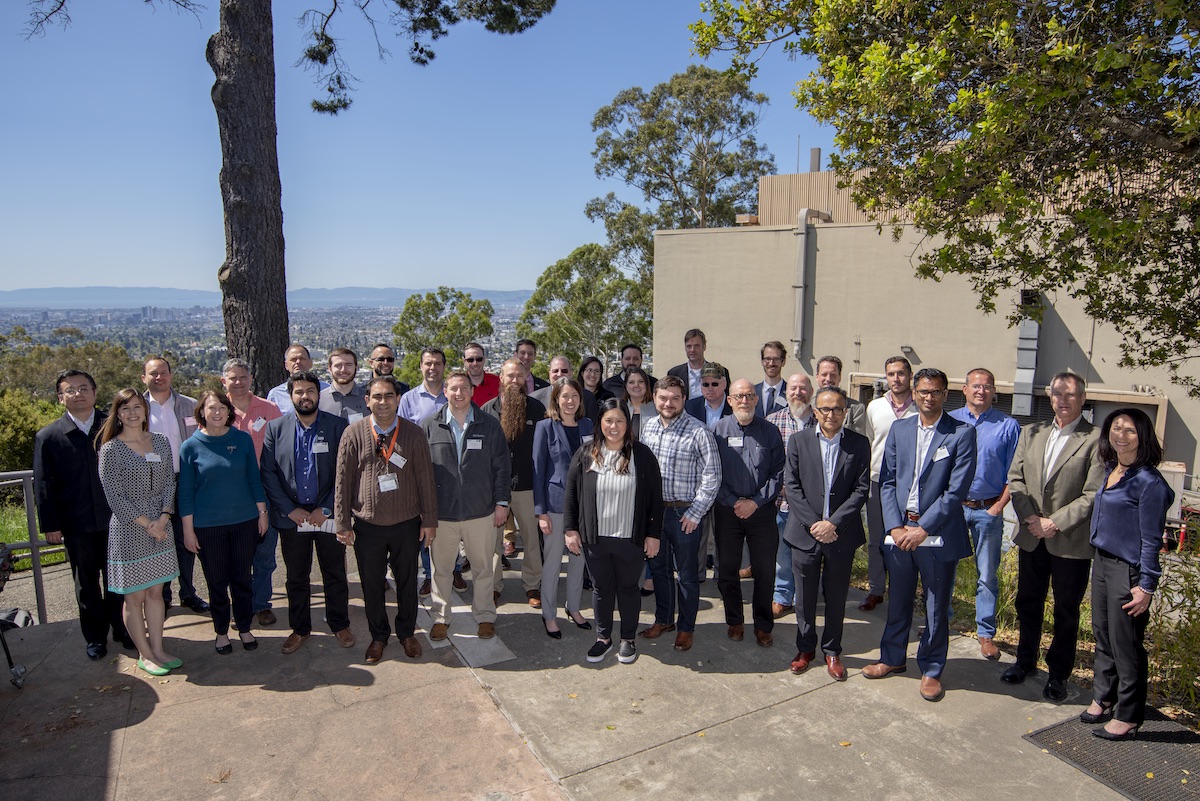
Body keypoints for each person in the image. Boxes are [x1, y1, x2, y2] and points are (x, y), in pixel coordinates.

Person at [864, 368, 976, 703]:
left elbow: (956, 492)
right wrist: (896, 526)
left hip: (936, 533)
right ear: (914, 393)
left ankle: (931, 669)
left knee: (935, 605)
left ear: (946, 394)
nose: (929, 398)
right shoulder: (900, 429)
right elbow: (887, 481)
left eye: (936, 392)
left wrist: (923, 528)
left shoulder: (961, 433)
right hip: (899, 531)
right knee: (897, 600)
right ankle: (892, 657)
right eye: (923, 392)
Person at [1004, 372, 1104, 702]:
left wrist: (1054, 522)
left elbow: (1092, 494)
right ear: (1050, 397)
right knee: (1028, 603)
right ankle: (1025, 661)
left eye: (1071, 394)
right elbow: (1016, 480)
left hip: (1069, 541)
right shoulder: (1031, 432)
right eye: (1058, 393)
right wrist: (1031, 517)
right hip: (1033, 535)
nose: (1063, 399)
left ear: (1083, 398)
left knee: (1066, 610)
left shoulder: (1095, 439)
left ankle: (1059, 673)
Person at [334, 376, 438, 664]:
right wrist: (342, 522)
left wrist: (429, 520)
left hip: (406, 523)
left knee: (407, 582)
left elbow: (426, 480)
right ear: (367, 400)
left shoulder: (414, 434)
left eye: (388, 396)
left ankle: (407, 633)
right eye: (376, 396)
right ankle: (378, 637)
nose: (383, 402)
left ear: (398, 399)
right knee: (371, 584)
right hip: (368, 525)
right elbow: (343, 480)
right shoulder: (353, 433)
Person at [1084, 408, 1173, 741]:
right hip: (1102, 563)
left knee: (1127, 644)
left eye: (1130, 431)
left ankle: (1129, 714)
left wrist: (1146, 586)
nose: (1121, 435)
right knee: (1103, 634)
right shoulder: (1111, 469)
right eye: (1116, 428)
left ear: (1143, 437)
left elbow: (1152, 539)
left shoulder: (1149, 482)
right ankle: (1103, 696)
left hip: (1129, 570)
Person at [34, 369, 132, 660]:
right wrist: (50, 525)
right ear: (60, 396)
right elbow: (43, 484)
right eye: (70, 390)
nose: (78, 394)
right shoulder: (49, 437)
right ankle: (95, 637)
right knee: (86, 583)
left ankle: (123, 629)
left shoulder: (114, 426)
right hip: (77, 524)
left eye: (83, 388)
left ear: (94, 392)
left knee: (119, 581)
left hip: (118, 521)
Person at [260, 370, 355, 654]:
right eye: (299, 392)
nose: (305, 397)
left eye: (310, 391)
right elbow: (268, 473)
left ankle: (340, 624)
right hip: (293, 519)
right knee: (296, 577)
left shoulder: (338, 426)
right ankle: (300, 628)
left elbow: (345, 470)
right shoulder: (276, 428)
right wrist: (291, 510)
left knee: (334, 573)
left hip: (326, 517)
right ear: (291, 397)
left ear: (318, 394)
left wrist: (325, 508)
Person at [563, 399, 663, 664]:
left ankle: (627, 638)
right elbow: (571, 493)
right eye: (608, 420)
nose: (614, 426)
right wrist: (570, 529)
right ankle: (603, 638)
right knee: (601, 589)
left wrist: (653, 534)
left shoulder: (642, 455)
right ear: (600, 423)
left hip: (631, 537)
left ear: (628, 423)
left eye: (620, 420)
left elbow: (655, 497)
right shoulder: (586, 453)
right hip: (595, 538)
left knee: (629, 588)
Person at [781, 387, 870, 680]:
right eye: (825, 409)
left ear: (846, 412)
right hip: (805, 533)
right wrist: (814, 524)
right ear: (815, 411)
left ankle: (832, 651)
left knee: (836, 596)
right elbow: (791, 486)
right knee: (804, 599)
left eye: (838, 409)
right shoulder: (798, 441)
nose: (831, 415)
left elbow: (861, 489)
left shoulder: (859, 443)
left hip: (840, 534)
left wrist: (833, 523)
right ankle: (805, 649)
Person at [96, 389, 181, 676]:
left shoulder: (160, 441)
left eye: (137, 407)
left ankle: (158, 649)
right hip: (130, 530)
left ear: (145, 411)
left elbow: (170, 482)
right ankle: (144, 655)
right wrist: (149, 524)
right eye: (125, 408)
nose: (132, 413)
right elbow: (115, 497)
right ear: (117, 414)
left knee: (157, 593)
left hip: (161, 526)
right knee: (135, 597)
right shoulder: (110, 449)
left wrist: (164, 517)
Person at [421, 371, 510, 641]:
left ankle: (484, 616)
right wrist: (426, 515)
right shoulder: (430, 425)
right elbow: (422, 474)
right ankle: (440, 617)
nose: (458, 394)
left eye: (464, 389)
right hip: (443, 515)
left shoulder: (489, 424)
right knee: (441, 570)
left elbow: (502, 467)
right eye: (453, 389)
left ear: (472, 392)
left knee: (484, 569)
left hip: (480, 511)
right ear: (445, 392)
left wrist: (502, 503)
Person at [179, 389, 269, 654]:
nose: (216, 412)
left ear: (229, 411)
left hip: (244, 522)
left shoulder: (241, 440)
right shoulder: (190, 446)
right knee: (216, 581)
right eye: (211, 408)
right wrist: (188, 531)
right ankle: (220, 631)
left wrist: (262, 513)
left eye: (221, 407)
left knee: (242, 578)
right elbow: (185, 493)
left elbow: (254, 477)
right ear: (201, 413)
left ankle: (244, 627)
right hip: (208, 527)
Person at [639, 375, 722, 651]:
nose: (669, 403)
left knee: (687, 576)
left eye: (675, 398)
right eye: (663, 397)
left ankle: (686, 627)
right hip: (654, 515)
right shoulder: (648, 428)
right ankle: (664, 619)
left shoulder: (699, 431)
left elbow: (712, 477)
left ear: (684, 399)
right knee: (659, 570)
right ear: (655, 398)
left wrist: (695, 513)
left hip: (685, 514)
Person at [948, 367, 1020, 659]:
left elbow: (1015, 473)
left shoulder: (1008, 425)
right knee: (943, 569)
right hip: (952, 509)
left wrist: (998, 507)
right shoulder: (950, 420)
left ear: (994, 391)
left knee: (987, 574)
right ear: (964, 389)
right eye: (975, 386)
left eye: (987, 386)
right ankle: (939, 620)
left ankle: (986, 633)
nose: (981, 390)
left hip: (988, 509)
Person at [711, 379, 785, 646]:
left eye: (749, 396)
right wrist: (733, 502)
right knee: (727, 570)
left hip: (762, 511)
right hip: (727, 511)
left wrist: (755, 502)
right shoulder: (717, 431)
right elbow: (712, 474)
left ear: (756, 399)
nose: (744, 400)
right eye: (738, 396)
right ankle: (735, 621)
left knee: (764, 571)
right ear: (729, 400)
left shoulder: (770, 431)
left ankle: (763, 625)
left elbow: (778, 473)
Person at [141, 356, 209, 615]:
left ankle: (188, 592)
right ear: (143, 378)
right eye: (153, 373)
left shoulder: (190, 405)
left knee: (186, 539)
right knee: (158, 539)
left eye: (164, 373)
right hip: (152, 485)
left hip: (185, 481)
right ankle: (162, 595)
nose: (159, 378)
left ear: (171, 375)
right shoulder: (139, 408)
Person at [221, 358, 283, 627]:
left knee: (265, 553)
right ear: (224, 381)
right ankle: (240, 605)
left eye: (242, 377)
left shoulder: (269, 409)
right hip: (230, 494)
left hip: (266, 491)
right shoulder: (216, 409)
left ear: (250, 379)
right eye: (232, 378)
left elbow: (282, 449)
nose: (238, 382)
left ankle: (261, 604)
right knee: (235, 555)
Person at [533, 378, 595, 638]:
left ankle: (574, 606)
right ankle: (549, 614)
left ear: (581, 399)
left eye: (575, 396)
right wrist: (541, 512)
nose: (570, 401)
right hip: (555, 505)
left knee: (579, 560)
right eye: (565, 396)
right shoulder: (545, 427)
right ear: (556, 399)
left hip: (583, 505)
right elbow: (537, 471)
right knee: (553, 563)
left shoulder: (588, 425)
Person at [482, 359, 547, 607]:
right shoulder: (488, 410)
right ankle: (494, 587)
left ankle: (532, 586)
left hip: (528, 486)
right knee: (493, 542)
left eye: (520, 376)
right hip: (495, 488)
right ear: (501, 378)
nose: (515, 381)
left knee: (532, 541)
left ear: (526, 379)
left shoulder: (537, 409)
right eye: (510, 376)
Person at [860, 356, 917, 611]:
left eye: (901, 373)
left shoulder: (921, 407)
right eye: (891, 374)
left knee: (904, 539)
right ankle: (875, 589)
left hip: (910, 486)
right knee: (877, 540)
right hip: (877, 481)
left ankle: (900, 591)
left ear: (910, 375)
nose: (896, 379)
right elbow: (869, 443)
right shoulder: (874, 407)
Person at [767, 373, 816, 619]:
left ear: (812, 392)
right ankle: (782, 595)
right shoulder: (772, 421)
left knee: (807, 553)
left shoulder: (821, 421)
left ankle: (803, 597)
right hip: (781, 499)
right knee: (782, 552)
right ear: (786, 393)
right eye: (793, 388)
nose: (798, 392)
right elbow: (765, 461)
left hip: (811, 504)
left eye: (803, 388)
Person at [668, 329, 729, 400]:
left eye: (696, 346)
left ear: (704, 346)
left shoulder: (721, 372)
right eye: (689, 346)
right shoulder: (674, 374)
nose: (692, 350)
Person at [266, 344, 328, 413]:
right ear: (286, 365)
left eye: (302, 358)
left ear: (310, 363)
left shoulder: (327, 390)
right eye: (293, 359)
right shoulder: (275, 395)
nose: (298, 362)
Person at [814, 355, 867, 435]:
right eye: (824, 374)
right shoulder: (809, 406)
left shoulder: (856, 409)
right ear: (817, 377)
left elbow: (857, 441)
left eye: (833, 375)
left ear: (840, 377)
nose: (828, 379)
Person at [398, 348, 448, 425]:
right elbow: (402, 432)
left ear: (444, 366)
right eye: (428, 364)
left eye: (437, 364)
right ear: (421, 366)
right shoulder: (408, 399)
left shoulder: (455, 396)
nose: (432, 368)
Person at [319, 347, 369, 423]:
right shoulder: (318, 400)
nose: (343, 370)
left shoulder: (369, 399)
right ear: (330, 369)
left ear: (356, 367)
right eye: (338, 365)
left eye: (348, 365)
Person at [684, 363, 732, 428]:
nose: (710, 389)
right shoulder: (689, 408)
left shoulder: (735, 407)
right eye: (705, 384)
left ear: (724, 384)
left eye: (714, 384)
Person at [755, 341, 789, 418]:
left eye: (776, 359)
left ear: (783, 362)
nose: (771, 363)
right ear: (762, 362)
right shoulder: (752, 392)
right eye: (767, 359)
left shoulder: (791, 393)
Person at [622, 367, 656, 440]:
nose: (636, 385)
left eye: (641, 381)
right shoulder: (620, 408)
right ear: (626, 385)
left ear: (646, 384)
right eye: (631, 382)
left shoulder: (657, 408)